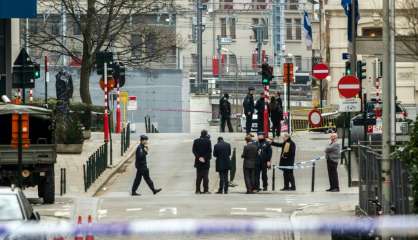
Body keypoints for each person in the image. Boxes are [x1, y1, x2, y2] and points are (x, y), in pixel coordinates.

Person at [192, 130, 212, 194]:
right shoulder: (208, 141)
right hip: (206, 162)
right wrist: (204, 158)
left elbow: (194, 151)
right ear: (206, 134)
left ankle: (197, 190)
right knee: (205, 177)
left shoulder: (196, 141)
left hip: (198, 161)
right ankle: (206, 190)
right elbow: (209, 151)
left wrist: (199, 157)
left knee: (198, 177)